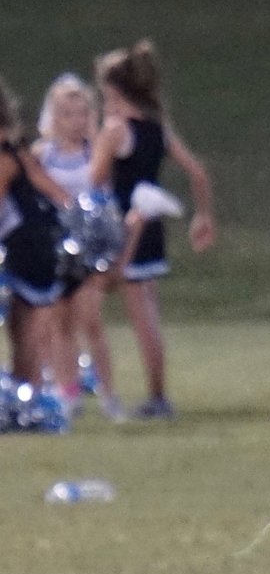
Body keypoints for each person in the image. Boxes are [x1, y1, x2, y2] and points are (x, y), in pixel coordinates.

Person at [90, 41, 216, 419]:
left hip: (128, 228)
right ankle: (158, 394)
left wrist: (100, 143)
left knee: (139, 315)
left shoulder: (116, 129)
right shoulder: (157, 129)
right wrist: (203, 216)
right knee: (150, 312)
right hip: (153, 226)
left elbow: (94, 178)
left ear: (112, 89)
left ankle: (158, 399)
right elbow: (198, 172)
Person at [33, 74, 125, 421]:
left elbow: (106, 198)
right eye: (67, 113)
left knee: (92, 320)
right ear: (54, 117)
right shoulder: (43, 154)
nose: (75, 120)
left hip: (91, 250)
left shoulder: (94, 152)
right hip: (57, 248)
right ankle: (67, 392)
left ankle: (108, 394)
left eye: (81, 113)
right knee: (61, 324)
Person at [0, 79, 71, 402]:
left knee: (27, 327)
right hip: (41, 243)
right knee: (21, 324)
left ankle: (28, 400)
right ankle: (25, 394)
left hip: (26, 246)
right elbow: (56, 192)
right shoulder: (18, 150)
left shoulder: (4, 157)